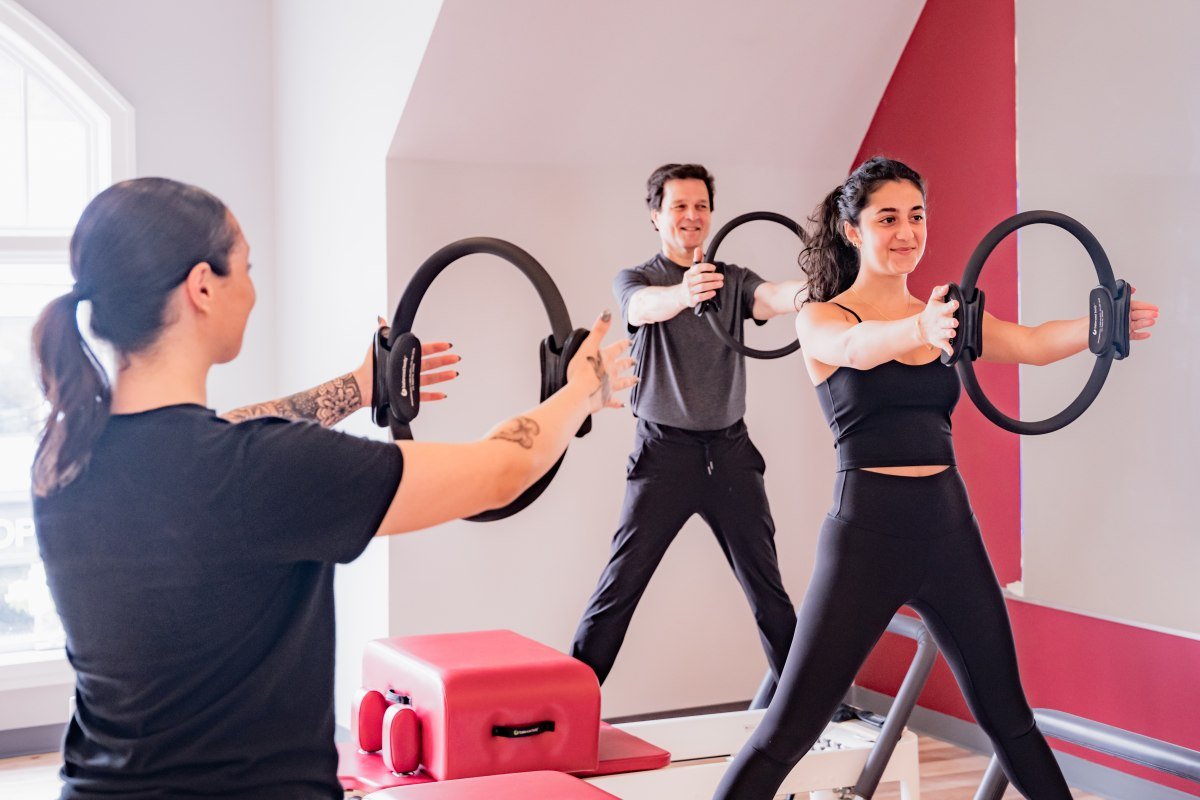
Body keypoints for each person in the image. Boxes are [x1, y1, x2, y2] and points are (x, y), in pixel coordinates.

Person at [30, 177, 635, 800]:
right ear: (203, 287)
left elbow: (215, 439)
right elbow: (506, 467)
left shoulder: (64, 461)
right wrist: (579, 390)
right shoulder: (262, 471)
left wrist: (359, 386)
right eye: (246, 268)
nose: (253, 290)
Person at [712, 156, 1159, 799]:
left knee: (1010, 718)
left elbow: (1030, 342)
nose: (907, 232)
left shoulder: (945, 317)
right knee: (791, 727)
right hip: (867, 530)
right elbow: (860, 351)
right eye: (887, 218)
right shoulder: (824, 318)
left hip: (948, 525)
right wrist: (919, 327)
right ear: (852, 230)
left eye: (916, 216)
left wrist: (1101, 327)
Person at [570, 163, 807, 700]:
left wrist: (811, 292)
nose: (692, 216)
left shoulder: (732, 278)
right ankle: (570, 703)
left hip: (731, 453)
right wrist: (684, 292)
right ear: (656, 216)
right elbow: (642, 308)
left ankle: (805, 705)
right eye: (679, 206)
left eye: (700, 206)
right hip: (664, 456)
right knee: (619, 588)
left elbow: (771, 296)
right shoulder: (638, 279)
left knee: (768, 592)